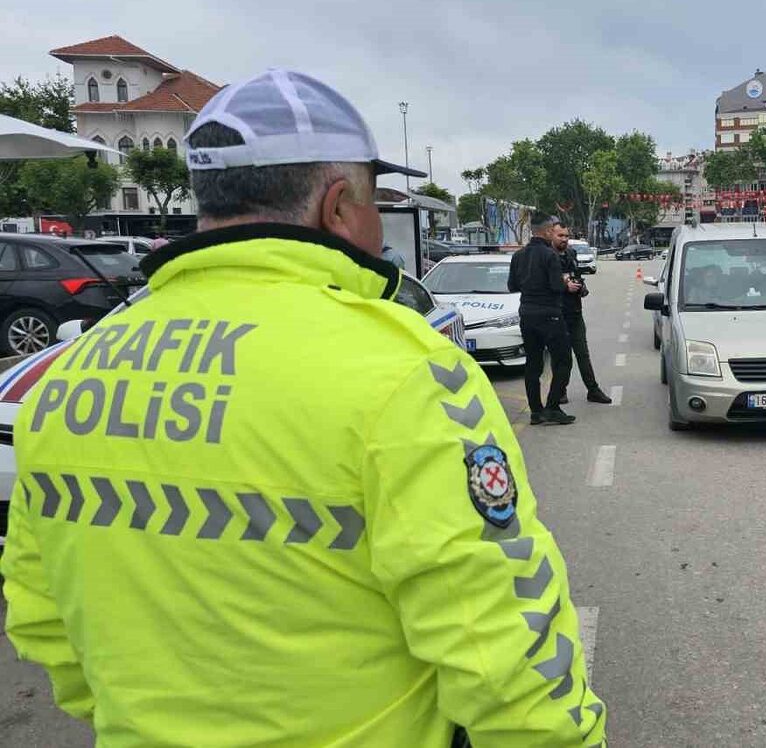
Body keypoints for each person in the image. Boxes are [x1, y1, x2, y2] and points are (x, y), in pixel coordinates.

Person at [0, 69, 605, 745]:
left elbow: (41, 614)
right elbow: (504, 643)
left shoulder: (72, 372)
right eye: (375, 202)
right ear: (339, 205)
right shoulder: (401, 370)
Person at [509, 215, 580, 425]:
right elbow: (557, 287)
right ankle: (552, 406)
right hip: (550, 314)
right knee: (563, 360)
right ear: (548, 231)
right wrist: (564, 281)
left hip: (527, 313)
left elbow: (512, 286)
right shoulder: (550, 256)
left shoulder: (519, 255)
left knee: (533, 363)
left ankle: (536, 411)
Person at [555, 229, 612, 405]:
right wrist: (564, 287)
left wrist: (581, 286)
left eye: (566, 236)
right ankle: (560, 390)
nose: (564, 239)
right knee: (562, 356)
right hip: (557, 313)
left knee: (582, 353)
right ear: (551, 235)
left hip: (575, 311)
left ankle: (593, 389)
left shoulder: (571, 253)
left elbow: (576, 275)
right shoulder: (548, 257)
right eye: (560, 236)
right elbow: (546, 283)